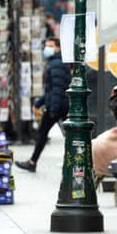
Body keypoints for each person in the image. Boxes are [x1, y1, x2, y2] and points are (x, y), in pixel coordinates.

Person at [15, 38, 71, 172]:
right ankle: (33, 162)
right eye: (46, 45)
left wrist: (53, 109)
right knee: (63, 134)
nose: (47, 48)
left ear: (58, 48)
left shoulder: (56, 63)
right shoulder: (55, 62)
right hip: (58, 103)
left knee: (43, 133)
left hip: (57, 105)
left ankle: (32, 162)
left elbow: (58, 88)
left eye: (50, 46)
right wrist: (39, 103)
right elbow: (51, 90)